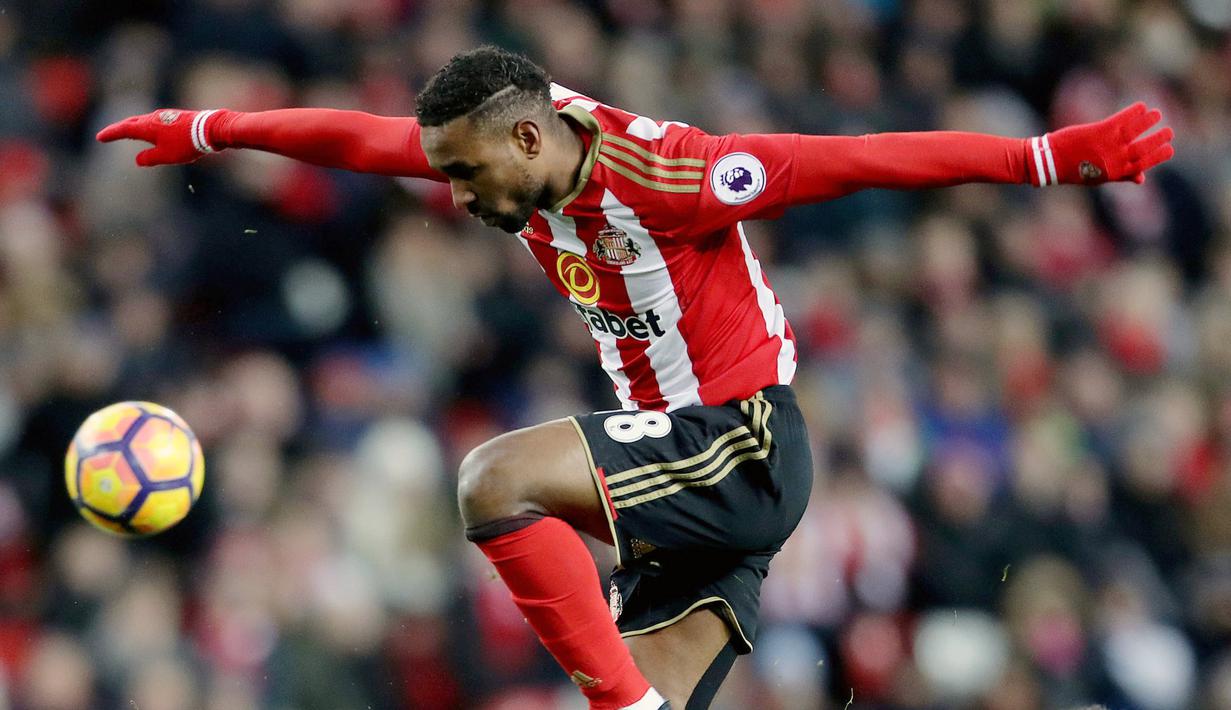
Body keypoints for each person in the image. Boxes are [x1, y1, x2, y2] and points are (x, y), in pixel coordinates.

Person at [97, 45, 1173, 710]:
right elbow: (363, 139)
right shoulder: (509, 146)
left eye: (468, 173)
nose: (458, 194)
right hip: (693, 485)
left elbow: (859, 158)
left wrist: (1044, 157)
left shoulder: (672, 172)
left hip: (742, 440)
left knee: (490, 479)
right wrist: (211, 127)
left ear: (528, 136)